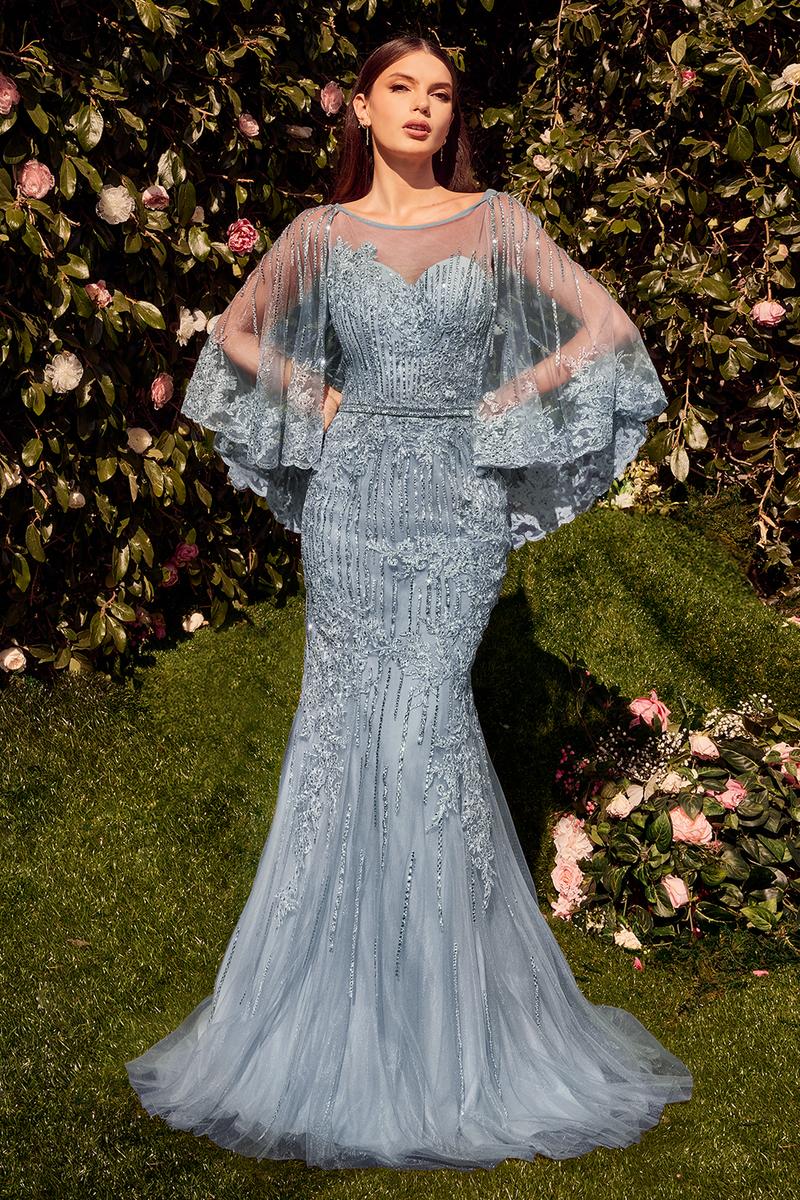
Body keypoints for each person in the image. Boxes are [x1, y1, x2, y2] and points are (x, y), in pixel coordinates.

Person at [125, 34, 693, 1171]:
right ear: (363, 107)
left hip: (456, 505)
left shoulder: (498, 221)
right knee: (343, 728)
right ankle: (330, 998)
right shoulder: (317, 233)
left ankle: (445, 1021)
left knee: (426, 726)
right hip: (349, 506)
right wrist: (315, 393)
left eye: (440, 93)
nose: (423, 107)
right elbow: (234, 335)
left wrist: (511, 399)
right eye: (401, 89)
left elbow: (607, 328)